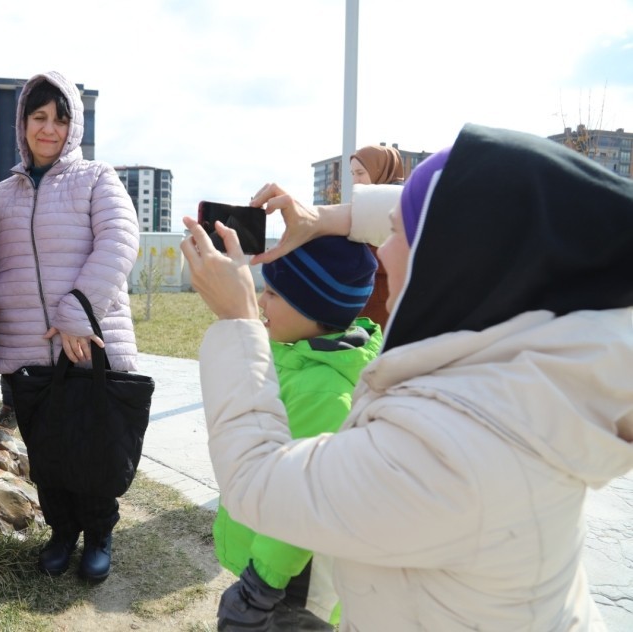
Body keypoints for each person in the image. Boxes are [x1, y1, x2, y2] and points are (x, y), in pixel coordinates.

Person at [181, 123, 633, 630]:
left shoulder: (453, 447)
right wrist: (319, 219)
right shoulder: (527, 370)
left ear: (452, 258)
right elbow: (469, 217)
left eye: (397, 234)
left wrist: (238, 321)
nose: (383, 254)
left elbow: (257, 484)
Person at [0, 71, 140, 583]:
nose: (48, 128)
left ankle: (99, 534)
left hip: (89, 342)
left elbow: (119, 243)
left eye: (59, 118)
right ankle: (62, 532)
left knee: (93, 448)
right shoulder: (2, 197)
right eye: (39, 117)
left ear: (72, 127)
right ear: (23, 124)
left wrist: (75, 312)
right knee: (48, 452)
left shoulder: (97, 178)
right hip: (28, 349)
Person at [213, 236, 382, 631]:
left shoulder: (323, 391)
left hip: (292, 577)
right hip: (273, 560)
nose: (260, 302)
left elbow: (301, 502)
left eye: (273, 293)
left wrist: (261, 586)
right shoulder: (298, 351)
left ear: (314, 307)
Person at [349, 144, 404, 329]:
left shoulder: (402, 207)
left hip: (387, 304)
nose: (355, 181)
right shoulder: (363, 208)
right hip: (366, 303)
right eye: (352, 174)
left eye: (360, 173)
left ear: (379, 170)